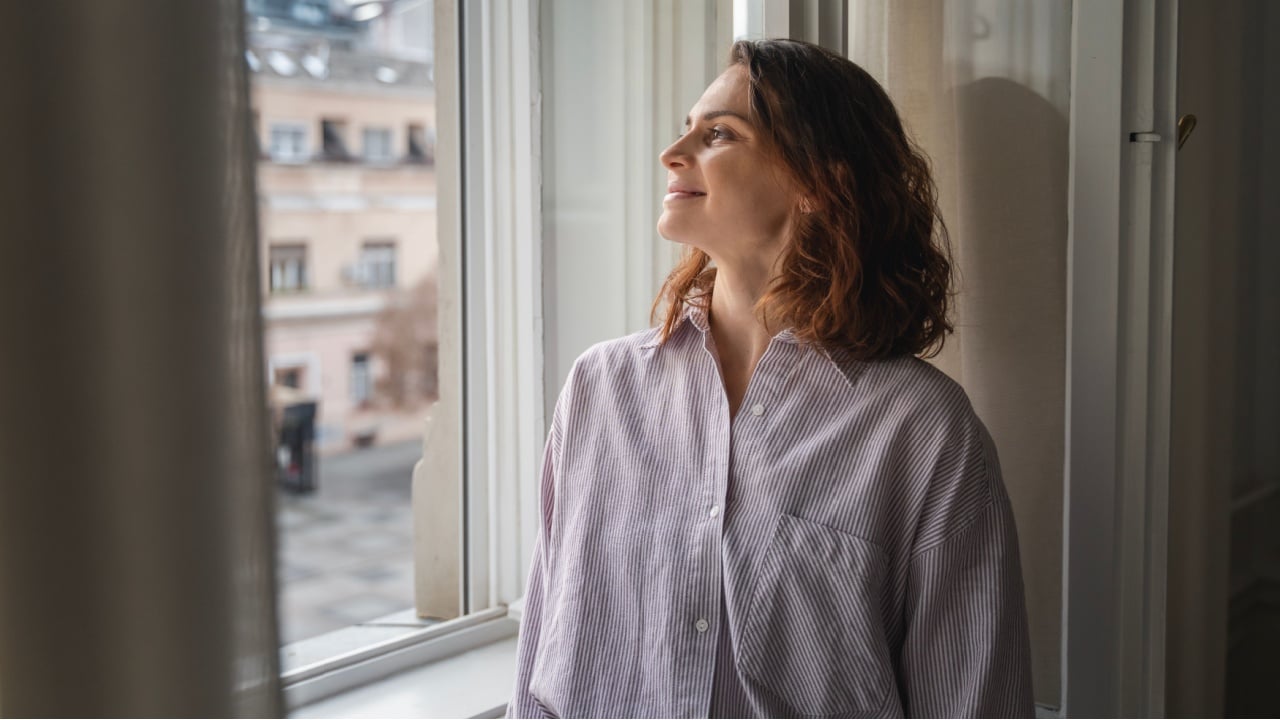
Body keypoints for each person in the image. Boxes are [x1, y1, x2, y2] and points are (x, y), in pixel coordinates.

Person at [507, 38, 1034, 718]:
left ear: (819, 183)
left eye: (719, 133)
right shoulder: (599, 390)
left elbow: (974, 702)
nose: (673, 153)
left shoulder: (924, 432)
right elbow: (544, 660)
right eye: (684, 129)